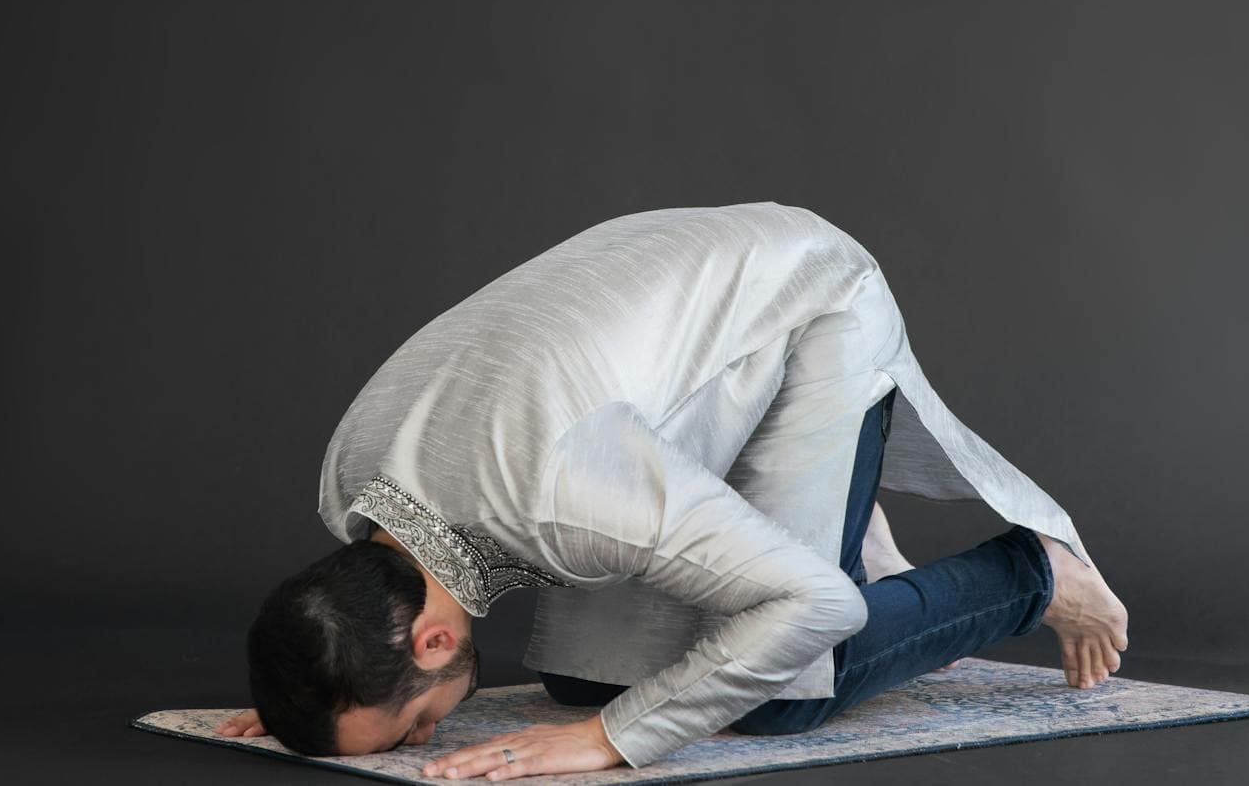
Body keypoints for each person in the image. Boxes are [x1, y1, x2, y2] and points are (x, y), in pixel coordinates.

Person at [215, 202, 1129, 775]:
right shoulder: (352, 489)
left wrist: (613, 742)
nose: (422, 743)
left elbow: (811, 605)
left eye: (408, 724)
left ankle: (1031, 572)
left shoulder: (560, 493)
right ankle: (817, 513)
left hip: (804, 305)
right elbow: (339, 627)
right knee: (580, 680)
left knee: (780, 692)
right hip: (657, 335)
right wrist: (318, 694)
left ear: (435, 635)